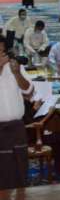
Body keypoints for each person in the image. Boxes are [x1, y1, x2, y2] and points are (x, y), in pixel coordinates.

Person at [0, 35, 33, 190]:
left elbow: (29, 91)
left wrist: (17, 73)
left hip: (17, 127)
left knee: (20, 167)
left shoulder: (14, 66)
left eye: (2, 51)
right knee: (3, 172)